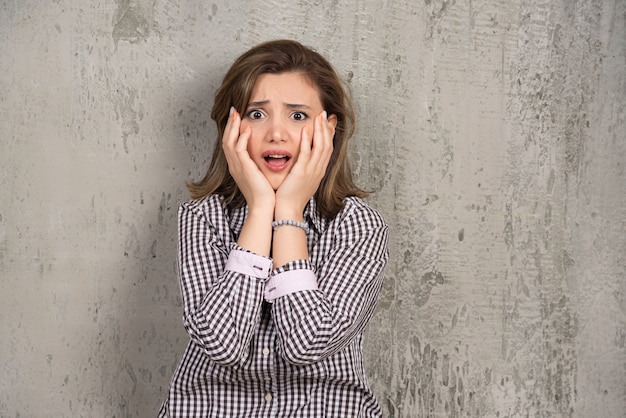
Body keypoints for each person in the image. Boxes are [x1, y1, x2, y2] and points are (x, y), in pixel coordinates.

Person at [159, 39, 389, 418]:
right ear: (230, 126)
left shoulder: (357, 226)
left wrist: (289, 213)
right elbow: (222, 344)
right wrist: (262, 208)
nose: (276, 134)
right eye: (256, 114)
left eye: (297, 116)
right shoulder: (202, 218)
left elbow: (307, 343)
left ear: (328, 128)